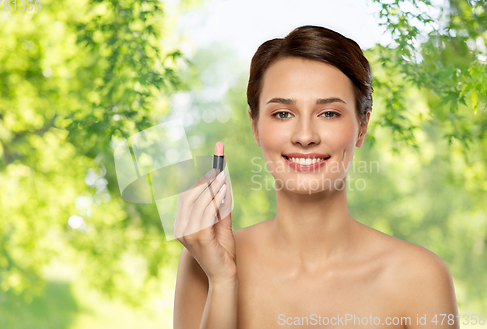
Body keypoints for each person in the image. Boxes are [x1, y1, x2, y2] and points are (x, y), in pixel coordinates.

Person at [173, 25, 459, 329]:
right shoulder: (204, 261)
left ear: (362, 127)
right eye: (283, 113)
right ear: (255, 127)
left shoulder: (420, 279)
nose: (305, 136)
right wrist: (222, 280)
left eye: (329, 113)